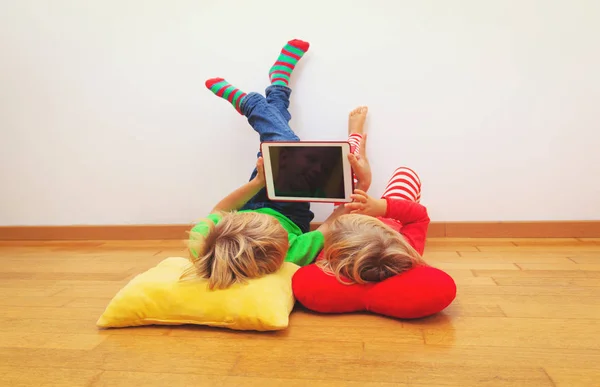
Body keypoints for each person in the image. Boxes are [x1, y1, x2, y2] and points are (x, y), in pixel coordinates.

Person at [186, 39, 359, 290]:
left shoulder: (203, 242)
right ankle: (276, 85)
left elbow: (221, 208)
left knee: (281, 143)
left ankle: (252, 103)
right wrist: (346, 205)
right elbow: (328, 226)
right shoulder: (288, 254)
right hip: (291, 212)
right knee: (286, 146)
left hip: (251, 199)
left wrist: (259, 183)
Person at [316, 107, 430, 285]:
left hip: (350, 220)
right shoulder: (407, 251)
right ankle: (354, 141)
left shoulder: (329, 256)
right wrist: (382, 207)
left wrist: (359, 195)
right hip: (394, 220)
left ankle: (354, 135)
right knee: (406, 174)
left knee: (343, 170)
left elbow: (326, 233)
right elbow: (419, 216)